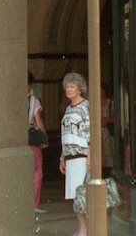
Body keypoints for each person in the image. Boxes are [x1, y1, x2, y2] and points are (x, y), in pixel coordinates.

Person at [58, 72, 90, 236]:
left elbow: (89, 131)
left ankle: (85, 231)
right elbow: (65, 134)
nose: (68, 90)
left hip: (81, 156)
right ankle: (82, 228)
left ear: (80, 89)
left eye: (71, 86)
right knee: (74, 195)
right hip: (70, 157)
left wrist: (90, 155)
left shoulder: (85, 106)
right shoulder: (68, 108)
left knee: (80, 195)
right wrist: (62, 157)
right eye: (66, 87)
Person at [27, 71, 48, 215]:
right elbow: (38, 120)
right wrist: (44, 138)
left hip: (14, 141)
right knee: (36, 172)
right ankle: (33, 203)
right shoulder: (33, 100)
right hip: (30, 139)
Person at [100, 83, 114, 177]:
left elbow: (117, 118)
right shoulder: (92, 104)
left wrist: (108, 120)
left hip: (108, 134)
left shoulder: (111, 103)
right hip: (98, 135)